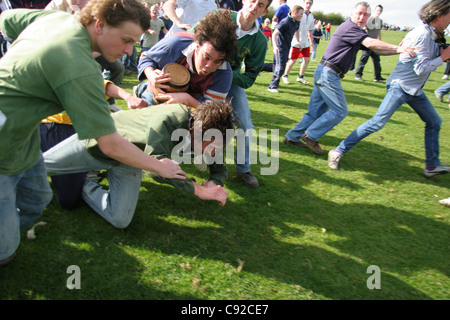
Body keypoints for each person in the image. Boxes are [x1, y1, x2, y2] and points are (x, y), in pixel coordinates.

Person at [0, 0, 185, 267]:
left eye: (134, 42)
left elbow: (7, 18)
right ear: (99, 25)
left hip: (24, 135)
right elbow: (110, 144)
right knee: (6, 249)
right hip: (4, 142)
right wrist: (161, 167)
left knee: (38, 198)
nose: (129, 50)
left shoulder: (58, 20)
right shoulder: (79, 67)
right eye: (126, 39)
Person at [44, 100, 234, 229]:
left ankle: (87, 180)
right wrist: (197, 190)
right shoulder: (170, 119)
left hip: (132, 159)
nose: (213, 152)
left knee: (120, 219)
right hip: (103, 142)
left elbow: (218, 166)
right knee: (42, 165)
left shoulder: (206, 134)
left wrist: (214, 181)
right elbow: (156, 169)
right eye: (213, 145)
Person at [328, 0, 450, 179]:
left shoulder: (432, 34)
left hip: (414, 89)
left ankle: (431, 166)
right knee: (377, 122)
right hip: (400, 86)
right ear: (439, 15)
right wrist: (444, 57)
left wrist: (441, 53)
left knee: (434, 122)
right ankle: (338, 150)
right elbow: (420, 68)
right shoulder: (423, 34)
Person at [283, 1, 416, 156]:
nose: (362, 17)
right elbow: (371, 42)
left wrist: (399, 51)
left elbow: (375, 49)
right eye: (359, 13)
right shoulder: (350, 28)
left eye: (366, 14)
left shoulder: (356, 31)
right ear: (352, 13)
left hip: (325, 71)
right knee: (340, 111)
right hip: (328, 73)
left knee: (315, 112)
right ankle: (311, 135)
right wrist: (398, 47)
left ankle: (292, 137)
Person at [40, 80, 148, 210]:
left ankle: (88, 170)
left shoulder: (80, 69)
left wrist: (128, 97)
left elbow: (105, 86)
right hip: (40, 125)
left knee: (68, 200)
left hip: (73, 128)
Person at [135, 9, 237, 108]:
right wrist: (151, 75)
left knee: (202, 125)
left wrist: (187, 99)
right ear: (197, 46)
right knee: (147, 122)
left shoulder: (224, 73)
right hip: (158, 94)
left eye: (217, 61)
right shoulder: (174, 44)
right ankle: (143, 88)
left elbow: (212, 111)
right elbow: (145, 57)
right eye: (206, 57)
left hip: (194, 106)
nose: (209, 65)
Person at [226, 0, 273, 188]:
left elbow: (249, 78)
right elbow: (191, 38)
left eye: (260, 4)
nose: (254, 6)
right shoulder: (221, 17)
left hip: (231, 81)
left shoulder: (260, 40)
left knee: (245, 124)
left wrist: (227, 73)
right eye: (252, 0)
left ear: (264, 11)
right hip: (201, 73)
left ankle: (243, 168)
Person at [268, 5, 303, 93]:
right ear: (295, 13)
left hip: (287, 47)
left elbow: (297, 31)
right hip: (280, 47)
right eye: (300, 14)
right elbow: (275, 34)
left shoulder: (297, 22)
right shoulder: (285, 22)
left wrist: (298, 41)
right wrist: (275, 47)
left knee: (275, 66)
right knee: (280, 68)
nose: (301, 16)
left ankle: (256, 67)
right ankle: (272, 86)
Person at [282, 0, 314, 85]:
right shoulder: (299, 14)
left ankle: (300, 77)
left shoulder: (311, 16)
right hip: (296, 41)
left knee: (307, 59)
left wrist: (311, 42)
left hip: (305, 42)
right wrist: (297, 40)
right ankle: (285, 76)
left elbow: (310, 31)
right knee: (293, 60)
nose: (308, 5)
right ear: (304, 3)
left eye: (310, 3)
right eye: (307, 3)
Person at [355, 5, 386, 82]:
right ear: (375, 10)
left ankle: (377, 77)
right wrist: (367, 39)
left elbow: (379, 31)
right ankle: (358, 75)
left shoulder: (380, 21)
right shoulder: (370, 19)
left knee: (377, 60)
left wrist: (379, 41)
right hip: (368, 43)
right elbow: (364, 29)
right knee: (364, 59)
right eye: (377, 10)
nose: (378, 12)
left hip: (375, 43)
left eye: (380, 11)